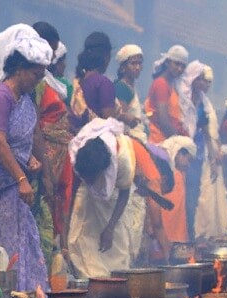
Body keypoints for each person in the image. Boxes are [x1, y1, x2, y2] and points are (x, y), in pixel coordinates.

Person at [0, 25, 53, 293]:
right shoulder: (1, 96)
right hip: (1, 185)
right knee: (8, 246)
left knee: (25, 242)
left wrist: (30, 157)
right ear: (19, 69)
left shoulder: (24, 98)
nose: (38, 80)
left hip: (15, 183)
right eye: (35, 74)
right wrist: (21, 179)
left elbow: (16, 138)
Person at [68, 118, 170, 277]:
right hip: (89, 195)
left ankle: (114, 287)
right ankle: (90, 283)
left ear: (103, 171)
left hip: (117, 197)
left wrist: (109, 229)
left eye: (92, 178)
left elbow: (124, 193)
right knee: (82, 239)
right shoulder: (81, 155)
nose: (89, 181)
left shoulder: (123, 159)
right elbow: (75, 189)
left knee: (117, 250)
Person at [31, 21, 70, 268]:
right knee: (40, 218)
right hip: (40, 159)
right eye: (50, 49)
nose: (54, 56)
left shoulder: (45, 80)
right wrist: (45, 170)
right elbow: (34, 125)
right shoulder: (33, 82)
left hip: (55, 157)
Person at [178, 61, 227, 240]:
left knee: (194, 195)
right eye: (201, 80)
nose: (204, 84)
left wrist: (214, 157)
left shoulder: (203, 103)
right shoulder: (182, 98)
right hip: (180, 152)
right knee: (182, 195)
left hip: (197, 155)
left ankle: (193, 235)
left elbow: (208, 132)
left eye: (206, 81)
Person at [69, 31, 116, 128]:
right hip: (98, 140)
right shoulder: (103, 83)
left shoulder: (80, 81)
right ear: (106, 57)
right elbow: (109, 124)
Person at [145, 45, 189, 144]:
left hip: (167, 141)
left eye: (183, 66)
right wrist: (179, 142)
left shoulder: (171, 86)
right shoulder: (161, 84)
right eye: (177, 64)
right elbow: (164, 122)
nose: (179, 69)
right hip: (159, 142)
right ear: (168, 62)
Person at [158, 135, 196, 242]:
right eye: (188, 160)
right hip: (167, 237)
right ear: (179, 153)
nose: (188, 165)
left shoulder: (178, 172)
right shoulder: (174, 175)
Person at [113, 44, 148, 142]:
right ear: (123, 67)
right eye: (133, 63)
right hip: (129, 140)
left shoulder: (131, 87)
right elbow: (119, 118)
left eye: (140, 63)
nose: (137, 67)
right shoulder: (122, 88)